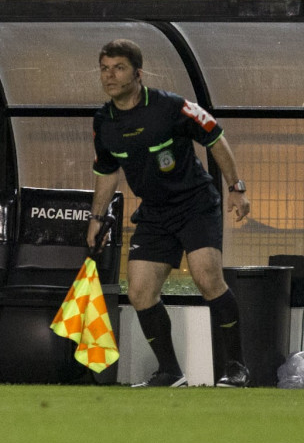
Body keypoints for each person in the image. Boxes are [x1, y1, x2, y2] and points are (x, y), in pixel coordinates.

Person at [89, 39, 252, 388]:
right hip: (155, 213)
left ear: (138, 73)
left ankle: (237, 367)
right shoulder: (104, 121)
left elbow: (215, 137)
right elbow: (106, 172)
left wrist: (236, 188)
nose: (109, 76)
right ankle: (170, 372)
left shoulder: (171, 107)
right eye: (104, 68)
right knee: (140, 292)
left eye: (118, 68)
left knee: (207, 278)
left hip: (195, 203)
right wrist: (96, 218)